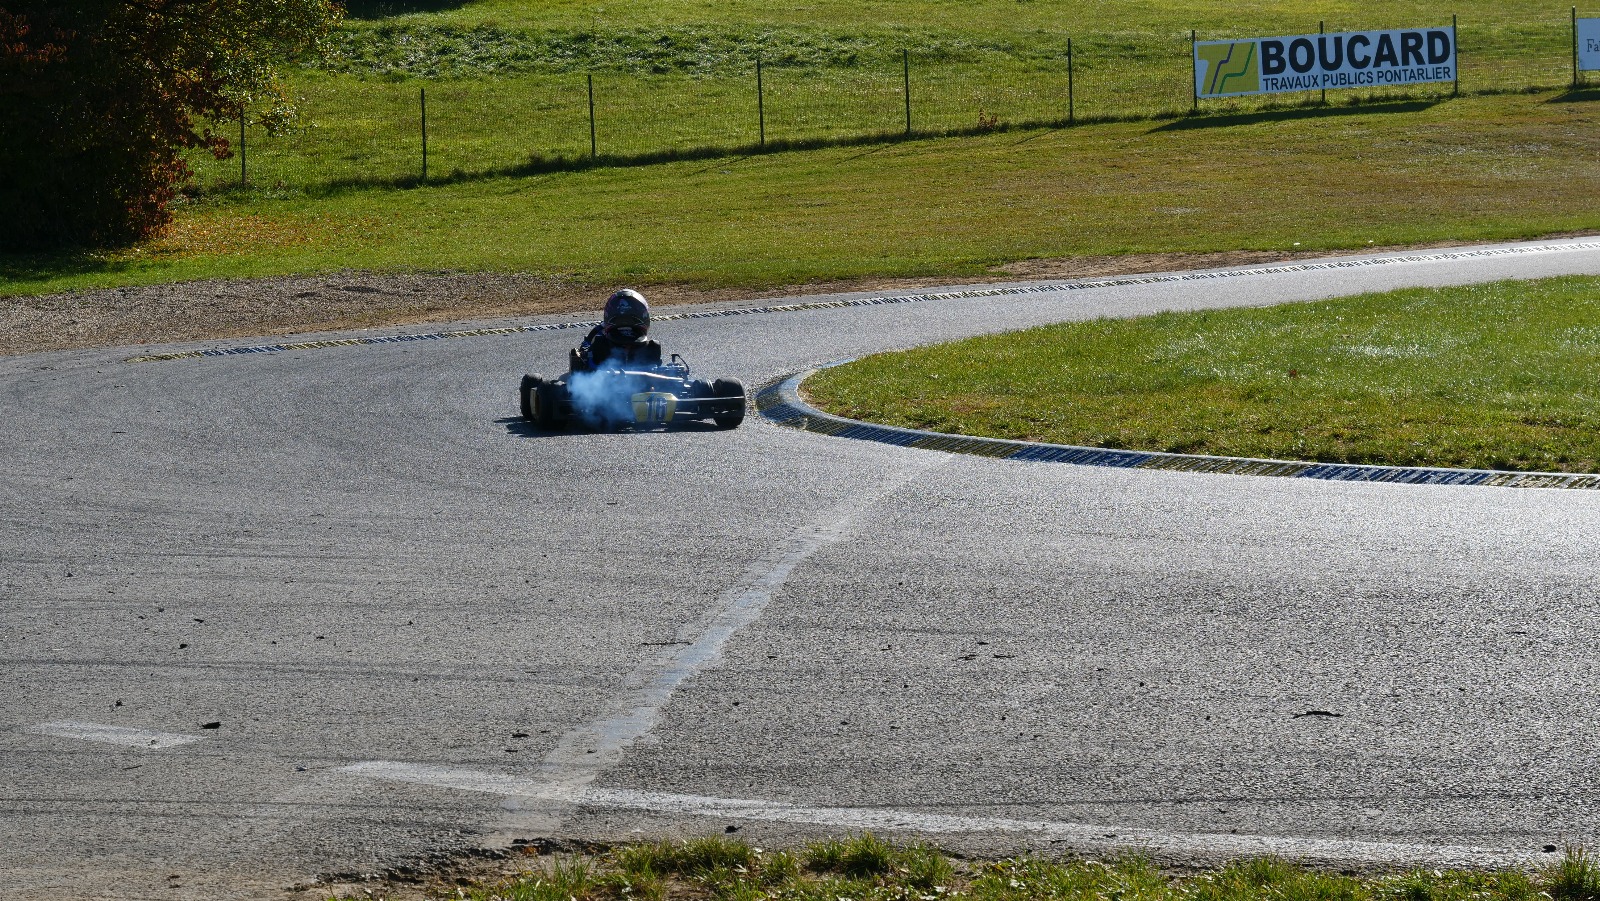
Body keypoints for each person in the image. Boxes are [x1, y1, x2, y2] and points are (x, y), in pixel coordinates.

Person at [572, 289, 663, 372]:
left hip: (603, 385)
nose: (627, 347)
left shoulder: (599, 343)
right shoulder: (652, 347)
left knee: (598, 344)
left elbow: (586, 351)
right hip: (646, 386)